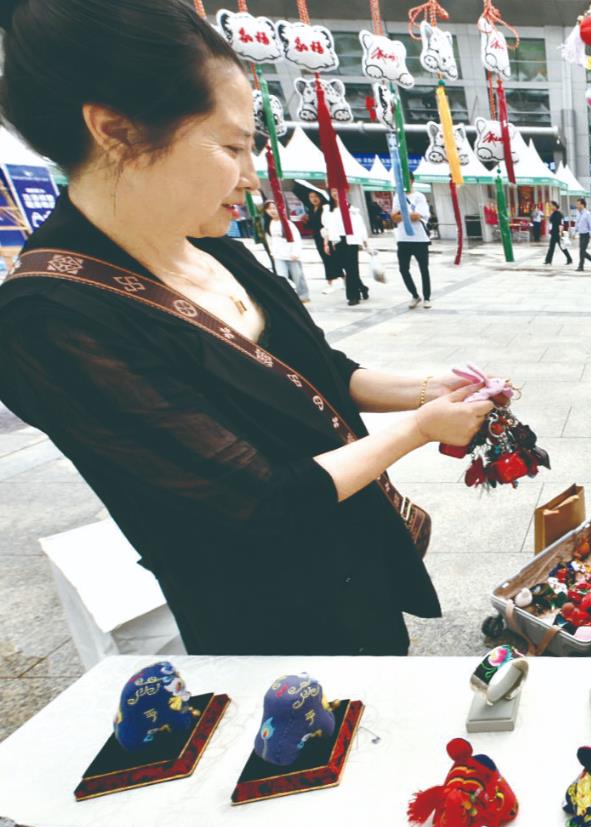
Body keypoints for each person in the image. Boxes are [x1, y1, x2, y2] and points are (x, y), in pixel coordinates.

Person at [0, 0, 504, 655]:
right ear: (115, 131)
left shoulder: (209, 241)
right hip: (269, 616)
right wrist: (418, 430)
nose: (253, 179)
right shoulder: (51, 320)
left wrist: (426, 388)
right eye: (233, 146)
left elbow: (316, 369)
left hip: (354, 560)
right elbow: (260, 500)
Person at [392, 183, 432, 310]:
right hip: (403, 239)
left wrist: (402, 215)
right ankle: (415, 295)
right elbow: (394, 218)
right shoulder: (397, 197)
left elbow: (417, 217)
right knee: (403, 269)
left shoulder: (419, 196)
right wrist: (407, 215)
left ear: (412, 181)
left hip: (419, 239)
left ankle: (427, 297)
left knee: (423, 269)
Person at [323, 197, 369, 306]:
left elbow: (360, 225)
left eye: (337, 191)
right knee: (346, 268)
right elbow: (327, 228)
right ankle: (362, 288)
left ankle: (353, 296)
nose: (335, 193)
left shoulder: (352, 209)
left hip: (351, 240)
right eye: (333, 191)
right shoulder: (328, 209)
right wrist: (326, 243)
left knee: (352, 269)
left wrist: (364, 240)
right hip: (337, 241)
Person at [261, 201, 309, 304]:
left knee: (297, 276)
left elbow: (297, 238)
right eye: (269, 209)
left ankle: (303, 296)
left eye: (274, 208)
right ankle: (287, 296)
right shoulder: (269, 224)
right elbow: (270, 240)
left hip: (291, 255)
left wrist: (295, 252)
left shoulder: (287, 223)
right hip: (279, 256)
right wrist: (273, 253)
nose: (272, 211)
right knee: (282, 277)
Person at [302, 189, 341, 294]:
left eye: (316, 196)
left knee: (331, 259)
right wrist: (305, 221)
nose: (313, 199)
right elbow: (311, 226)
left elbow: (327, 224)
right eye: (311, 197)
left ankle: (332, 283)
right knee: (326, 259)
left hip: (327, 236)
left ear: (320, 197)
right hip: (317, 237)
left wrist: (326, 241)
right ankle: (338, 279)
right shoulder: (311, 210)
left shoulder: (325, 208)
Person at [574, 197, 591, 272]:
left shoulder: (587, 214)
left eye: (578, 204)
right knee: (582, 251)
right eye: (577, 204)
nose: (577, 206)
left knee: (582, 251)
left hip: (586, 235)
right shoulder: (578, 213)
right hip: (581, 235)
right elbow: (577, 223)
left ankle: (581, 267)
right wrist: (575, 232)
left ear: (583, 205)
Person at [544, 200, 572, 266]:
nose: (551, 207)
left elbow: (561, 224)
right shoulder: (553, 213)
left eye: (551, 206)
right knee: (551, 247)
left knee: (562, 247)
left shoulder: (559, 214)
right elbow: (551, 222)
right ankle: (548, 260)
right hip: (553, 233)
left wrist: (561, 232)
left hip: (558, 233)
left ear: (555, 206)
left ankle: (569, 259)